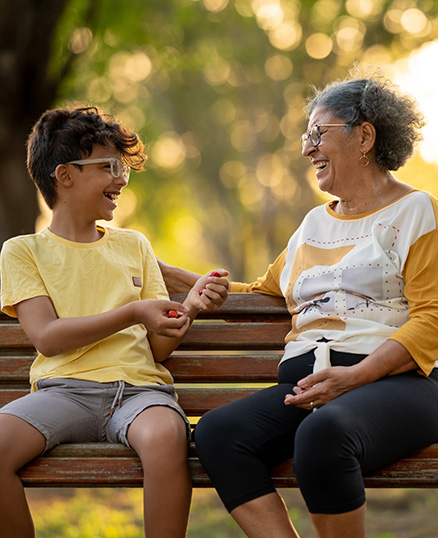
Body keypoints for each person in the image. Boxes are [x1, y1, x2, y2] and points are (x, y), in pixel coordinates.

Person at [163, 73, 438, 538]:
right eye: (305, 137)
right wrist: (162, 270)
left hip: (401, 382)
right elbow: (263, 291)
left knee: (323, 435)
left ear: (364, 136)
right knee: (217, 433)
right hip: (310, 385)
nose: (307, 148)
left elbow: (432, 318)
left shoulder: (417, 211)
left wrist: (354, 376)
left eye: (318, 133)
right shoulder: (312, 224)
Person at [0, 105, 229, 538]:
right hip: (63, 391)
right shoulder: (23, 251)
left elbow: (158, 347)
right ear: (64, 176)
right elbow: (47, 338)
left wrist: (191, 307)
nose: (121, 178)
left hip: (139, 392)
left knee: (166, 436)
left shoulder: (133, 245)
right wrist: (132, 312)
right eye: (108, 166)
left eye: (122, 166)